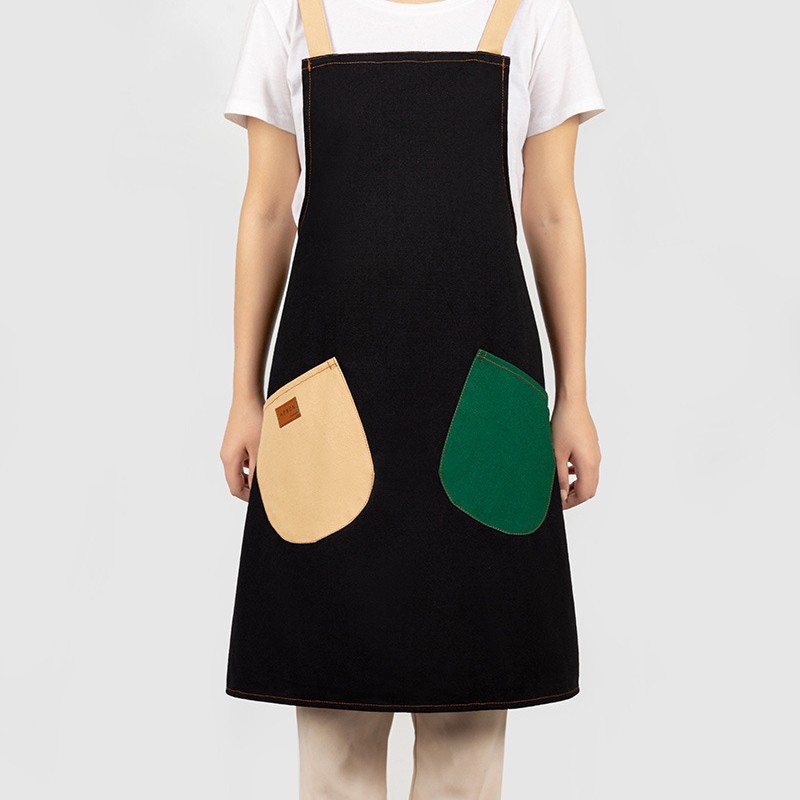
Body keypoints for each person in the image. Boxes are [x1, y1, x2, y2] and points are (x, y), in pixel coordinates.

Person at [219, 0, 604, 795]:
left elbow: (552, 210)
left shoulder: (533, 12)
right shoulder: (294, 11)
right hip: (329, 399)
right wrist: (244, 395)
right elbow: (266, 210)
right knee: (334, 738)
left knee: (468, 741)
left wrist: (574, 396)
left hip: (481, 396)